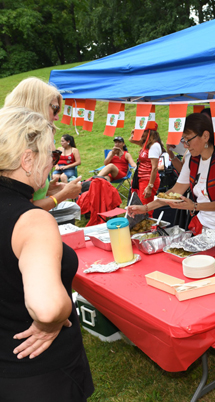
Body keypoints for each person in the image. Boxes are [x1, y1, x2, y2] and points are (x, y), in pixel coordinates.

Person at [0, 106, 93, 401]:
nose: (53, 163)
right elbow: (48, 306)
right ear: (28, 159)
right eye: (51, 155)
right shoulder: (32, 220)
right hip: (41, 374)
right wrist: (51, 322)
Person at [128, 113, 215, 238]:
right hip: (206, 225)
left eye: (188, 140)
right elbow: (175, 191)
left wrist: (194, 206)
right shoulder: (192, 160)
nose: (185, 145)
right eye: (183, 140)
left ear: (205, 136)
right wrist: (145, 208)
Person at [3, 77, 82, 210]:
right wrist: (62, 195)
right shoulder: (20, 143)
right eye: (55, 109)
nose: (57, 117)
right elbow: (22, 207)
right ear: (38, 104)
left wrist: (47, 190)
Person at [129, 121, 164, 212]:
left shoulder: (154, 146)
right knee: (139, 205)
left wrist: (150, 186)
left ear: (150, 132)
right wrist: (134, 132)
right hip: (141, 178)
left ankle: (150, 226)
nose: (142, 133)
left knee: (146, 208)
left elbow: (154, 168)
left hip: (148, 180)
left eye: (144, 131)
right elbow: (131, 140)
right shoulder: (146, 145)